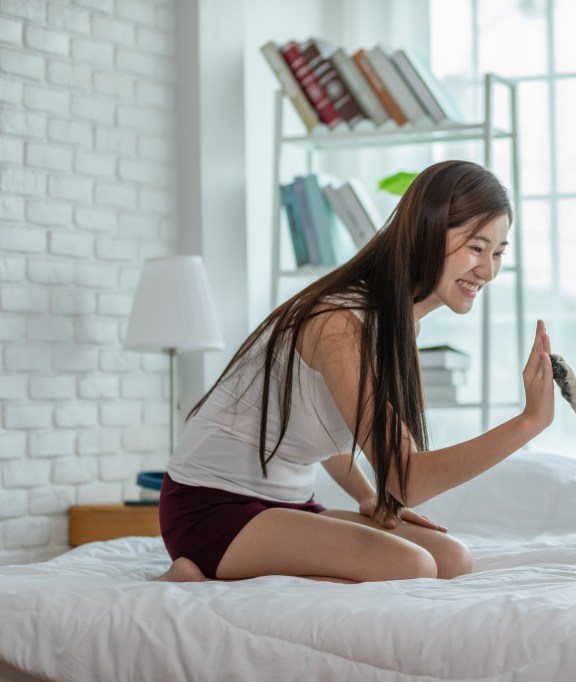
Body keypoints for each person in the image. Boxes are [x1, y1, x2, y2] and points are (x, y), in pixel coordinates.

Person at [155, 160, 554, 583]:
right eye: (476, 247)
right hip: (211, 507)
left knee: (453, 559)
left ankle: (227, 574)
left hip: (287, 506)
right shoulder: (339, 323)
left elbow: (319, 423)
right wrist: (529, 422)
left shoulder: (398, 326)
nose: (488, 270)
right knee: (411, 565)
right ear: (425, 233)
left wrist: (369, 498)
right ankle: (197, 576)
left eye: (498, 253)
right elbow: (408, 480)